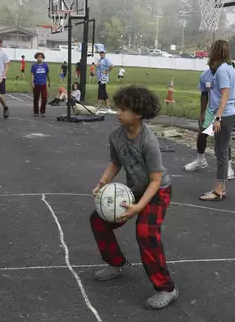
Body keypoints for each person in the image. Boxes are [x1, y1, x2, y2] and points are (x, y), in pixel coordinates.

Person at [89, 85, 178, 310]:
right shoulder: (116, 136)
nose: (118, 112)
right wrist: (101, 184)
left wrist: (138, 207)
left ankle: (167, 288)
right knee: (98, 220)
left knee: (146, 232)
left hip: (157, 191)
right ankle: (118, 264)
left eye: (123, 109)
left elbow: (156, 180)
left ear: (137, 113)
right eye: (118, 108)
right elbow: (115, 163)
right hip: (135, 189)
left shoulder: (149, 142)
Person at [184, 62, 235, 180]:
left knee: (223, 141)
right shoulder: (205, 75)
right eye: (211, 64)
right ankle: (200, 160)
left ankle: (229, 167)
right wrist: (202, 113)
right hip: (211, 110)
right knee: (202, 134)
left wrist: (231, 109)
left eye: (216, 64)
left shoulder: (228, 73)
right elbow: (204, 94)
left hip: (225, 111)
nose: (213, 66)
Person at [199, 40, 235, 202]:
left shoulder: (222, 71)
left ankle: (217, 191)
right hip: (227, 114)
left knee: (221, 153)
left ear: (215, 51)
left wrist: (217, 118)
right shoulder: (229, 68)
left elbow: (225, 96)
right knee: (220, 152)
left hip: (224, 115)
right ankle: (220, 189)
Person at [30, 52, 50, 117]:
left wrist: (49, 82)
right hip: (36, 83)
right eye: (38, 57)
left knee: (44, 98)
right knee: (36, 98)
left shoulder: (45, 65)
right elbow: (32, 74)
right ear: (36, 58)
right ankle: (36, 111)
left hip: (43, 83)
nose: (39, 58)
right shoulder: (34, 66)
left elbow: (47, 74)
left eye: (41, 57)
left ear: (42, 58)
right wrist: (32, 82)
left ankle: (43, 111)